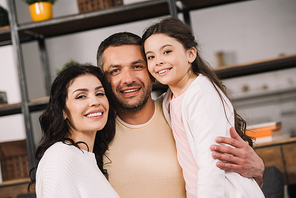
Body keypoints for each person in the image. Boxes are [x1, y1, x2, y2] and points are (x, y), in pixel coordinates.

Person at [97, 31, 264, 198]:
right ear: (103, 81)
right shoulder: (97, 135)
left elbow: (222, 177)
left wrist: (257, 168)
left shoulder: (179, 110)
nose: (128, 79)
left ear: (152, 73)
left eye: (137, 66)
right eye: (115, 71)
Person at [142, 17, 265, 197]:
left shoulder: (201, 96)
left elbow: (211, 167)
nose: (158, 61)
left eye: (167, 52)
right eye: (151, 56)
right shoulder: (171, 97)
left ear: (191, 54)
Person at [29, 65, 120, 198]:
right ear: (63, 111)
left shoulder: (86, 158)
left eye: (99, 93)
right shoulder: (61, 156)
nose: (95, 101)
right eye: (81, 96)